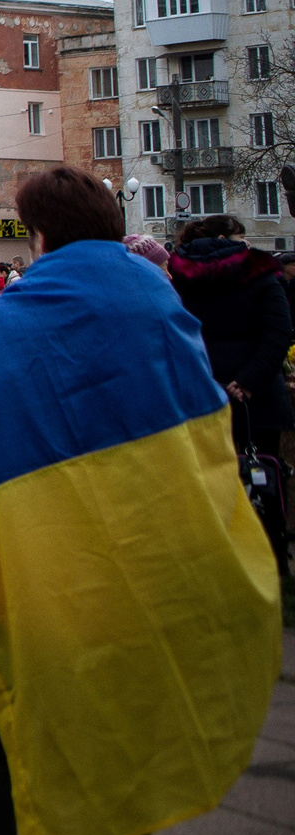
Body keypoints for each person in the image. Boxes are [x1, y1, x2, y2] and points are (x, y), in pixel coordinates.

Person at [0, 168, 275, 835]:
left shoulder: (6, 319)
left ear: (41, 234)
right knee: (123, 723)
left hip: (54, 562)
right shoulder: (157, 296)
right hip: (154, 549)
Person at [167, 213, 293, 571]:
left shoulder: (178, 274)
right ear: (226, 239)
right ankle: (268, 555)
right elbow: (278, 332)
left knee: (207, 479)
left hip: (201, 394)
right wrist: (249, 381)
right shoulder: (260, 272)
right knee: (262, 472)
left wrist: (201, 380)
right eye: (241, 236)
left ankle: (215, 559)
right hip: (257, 396)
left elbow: (173, 332)